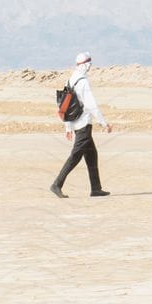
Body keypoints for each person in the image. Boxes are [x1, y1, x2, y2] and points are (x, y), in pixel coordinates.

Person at [51, 51, 112, 198]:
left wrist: (68, 127)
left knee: (91, 154)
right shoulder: (83, 81)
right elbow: (91, 105)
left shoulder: (70, 80)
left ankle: (96, 188)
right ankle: (57, 184)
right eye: (89, 64)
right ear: (86, 65)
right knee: (75, 156)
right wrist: (104, 123)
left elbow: (64, 105)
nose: (90, 67)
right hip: (84, 124)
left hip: (76, 123)